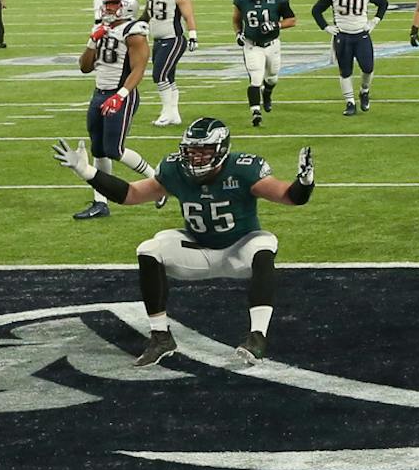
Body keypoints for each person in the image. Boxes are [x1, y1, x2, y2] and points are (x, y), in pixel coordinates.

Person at [50, 119, 315, 365]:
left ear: (222, 150)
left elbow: (289, 196)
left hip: (239, 249)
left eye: (204, 151)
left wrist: (304, 182)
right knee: (149, 249)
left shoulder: (244, 169)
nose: (196, 157)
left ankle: (257, 337)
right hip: (197, 250)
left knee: (264, 244)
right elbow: (131, 194)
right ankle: (161, 337)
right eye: (191, 151)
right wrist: (87, 171)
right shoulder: (175, 169)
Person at [72, 0, 157, 219]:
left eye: (113, 5)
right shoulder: (101, 28)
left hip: (121, 95)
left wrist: (120, 95)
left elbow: (139, 68)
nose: (108, 9)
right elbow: (84, 67)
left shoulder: (134, 31)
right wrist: (92, 39)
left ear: (127, 8)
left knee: (114, 150)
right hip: (99, 93)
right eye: (107, 5)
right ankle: (101, 202)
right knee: (98, 150)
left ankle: (158, 181)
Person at [312, 0, 388, 117]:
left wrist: (375, 21)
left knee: (368, 68)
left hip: (361, 35)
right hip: (343, 36)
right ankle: (350, 102)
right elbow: (316, 10)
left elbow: (383, 3)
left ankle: (364, 91)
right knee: (345, 71)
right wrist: (326, 27)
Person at [232, 0, 295, 128]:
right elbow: (236, 19)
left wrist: (275, 24)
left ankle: (267, 94)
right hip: (252, 45)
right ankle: (255, 112)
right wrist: (238, 33)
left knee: (272, 77)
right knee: (255, 78)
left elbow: (292, 20)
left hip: (272, 44)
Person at [143, 0, 197, 127]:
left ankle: (166, 113)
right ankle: (174, 115)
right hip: (158, 40)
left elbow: (188, 15)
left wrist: (193, 35)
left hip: (173, 39)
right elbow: (148, 13)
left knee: (159, 75)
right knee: (169, 78)